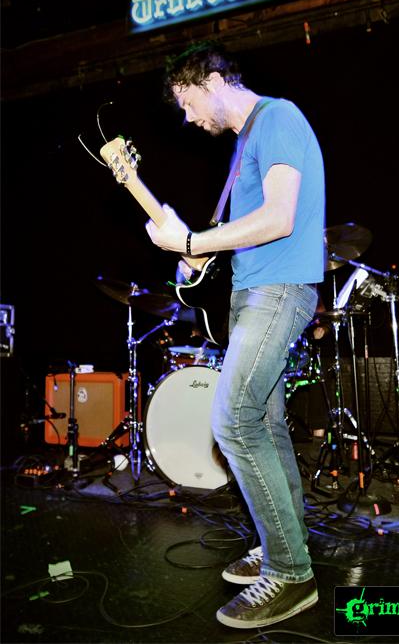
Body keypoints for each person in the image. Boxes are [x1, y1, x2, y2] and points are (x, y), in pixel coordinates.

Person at [146, 43, 326, 629]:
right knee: (265, 426)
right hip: (252, 293)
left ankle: (292, 574)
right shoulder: (246, 145)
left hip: (279, 290)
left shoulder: (278, 117)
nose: (188, 118)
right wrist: (194, 259)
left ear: (214, 81)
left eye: (188, 102)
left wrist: (193, 242)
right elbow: (243, 235)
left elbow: (279, 218)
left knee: (232, 420)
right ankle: (284, 543)